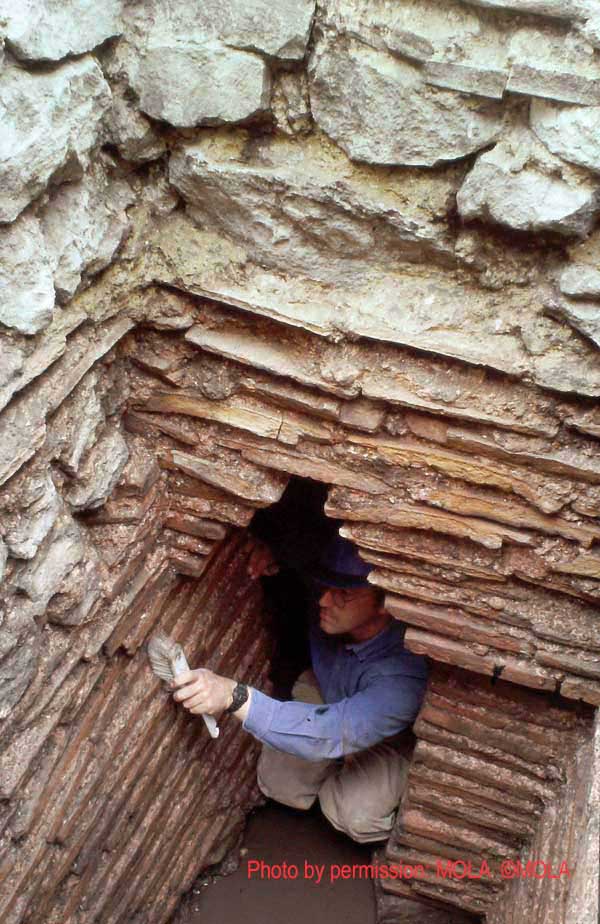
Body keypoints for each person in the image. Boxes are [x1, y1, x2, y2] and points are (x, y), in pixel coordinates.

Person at [171, 524, 429, 844]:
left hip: (380, 731)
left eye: (343, 593)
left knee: (354, 815)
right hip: (327, 688)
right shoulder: (332, 599)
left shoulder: (402, 679)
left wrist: (234, 697)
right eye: (325, 585)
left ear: (386, 605)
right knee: (279, 782)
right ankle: (336, 762)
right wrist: (275, 557)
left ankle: (381, 791)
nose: (323, 599)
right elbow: (303, 557)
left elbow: (331, 731)